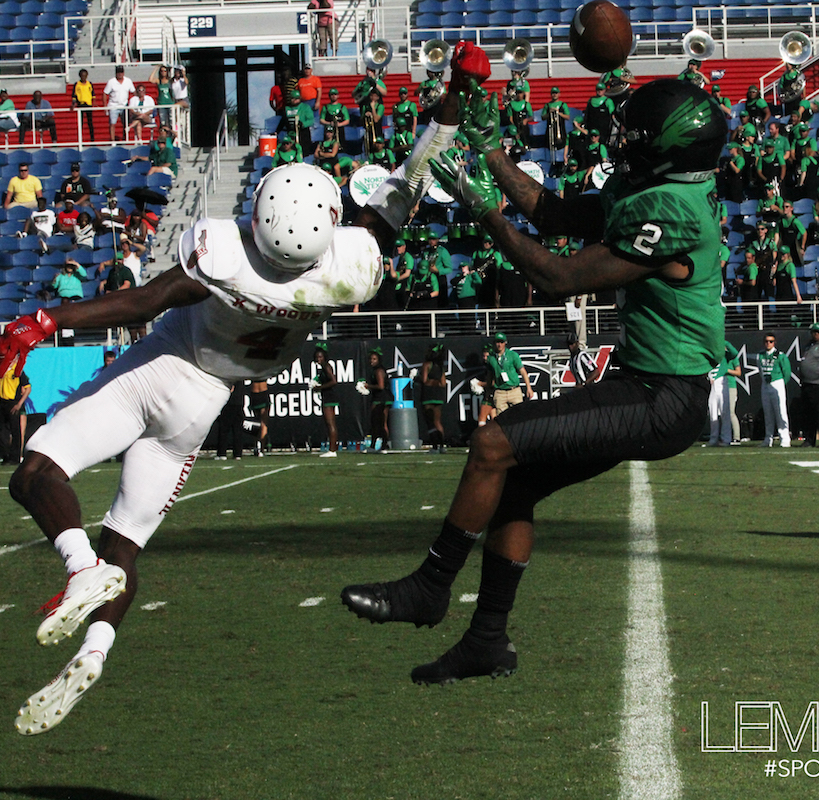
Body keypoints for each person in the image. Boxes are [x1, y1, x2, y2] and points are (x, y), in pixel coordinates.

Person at [0, 43, 484, 733]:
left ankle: (78, 568)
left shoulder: (225, 255)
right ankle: (99, 647)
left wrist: (48, 319)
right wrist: (457, 96)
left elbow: (143, 303)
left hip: (165, 367)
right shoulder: (350, 270)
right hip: (206, 406)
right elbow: (413, 173)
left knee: (37, 471)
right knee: (127, 544)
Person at [341, 76, 729, 684]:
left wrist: (481, 208)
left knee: (494, 443)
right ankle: (486, 641)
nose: (623, 138)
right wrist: (494, 152)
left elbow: (557, 278)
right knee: (514, 484)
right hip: (646, 384)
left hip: (664, 397)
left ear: (667, 149)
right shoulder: (657, 186)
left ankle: (430, 586)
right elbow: (549, 212)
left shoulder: (673, 211)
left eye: (639, 134)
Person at [758, 332, 791, 448]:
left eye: (771, 341)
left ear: (774, 342)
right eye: (766, 341)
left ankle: (785, 438)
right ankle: (768, 438)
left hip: (777, 383)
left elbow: (787, 372)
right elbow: (760, 370)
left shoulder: (780, 355)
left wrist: (781, 383)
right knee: (767, 412)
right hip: (765, 384)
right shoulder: (760, 355)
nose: (768, 343)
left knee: (780, 411)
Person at [0, 364, 30, 465]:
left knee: (15, 431)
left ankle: (15, 458)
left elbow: (27, 388)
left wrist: (19, 404)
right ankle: (5, 454)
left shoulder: (18, 371)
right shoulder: (2, 370)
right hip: (2, 402)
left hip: (13, 402)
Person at [309, 342, 340, 457]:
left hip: (329, 396)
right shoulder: (323, 367)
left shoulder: (326, 366)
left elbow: (334, 381)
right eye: (317, 357)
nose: (318, 359)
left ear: (325, 357)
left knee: (330, 423)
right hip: (327, 396)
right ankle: (332, 448)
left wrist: (319, 387)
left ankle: (332, 450)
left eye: (320, 357)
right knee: (329, 423)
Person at [420, 343, 447, 453]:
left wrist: (417, 377)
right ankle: (442, 446)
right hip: (438, 396)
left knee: (430, 422)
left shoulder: (427, 364)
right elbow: (443, 383)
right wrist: (437, 382)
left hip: (428, 395)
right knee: (437, 421)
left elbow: (424, 381)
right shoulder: (440, 367)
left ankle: (435, 446)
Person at [103, 66, 136, 141]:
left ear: (123, 73)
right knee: (112, 123)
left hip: (124, 105)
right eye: (118, 72)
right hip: (113, 105)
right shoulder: (111, 82)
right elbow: (105, 93)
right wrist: (105, 107)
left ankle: (125, 139)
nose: (120, 74)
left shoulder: (128, 81)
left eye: (121, 72)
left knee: (125, 123)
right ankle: (112, 140)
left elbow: (133, 92)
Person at [72, 68, 96, 141]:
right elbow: (74, 96)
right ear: (80, 76)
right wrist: (73, 103)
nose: (83, 77)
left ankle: (92, 139)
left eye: (85, 76)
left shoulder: (89, 84)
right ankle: (80, 139)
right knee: (81, 123)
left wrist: (94, 102)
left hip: (88, 104)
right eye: (82, 76)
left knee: (90, 123)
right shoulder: (77, 84)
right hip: (81, 104)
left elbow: (93, 94)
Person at [149, 64, 174, 129]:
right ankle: (165, 135)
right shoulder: (158, 80)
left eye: (165, 71)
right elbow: (150, 79)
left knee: (172, 121)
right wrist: (156, 68)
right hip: (162, 103)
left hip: (170, 103)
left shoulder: (170, 81)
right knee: (163, 122)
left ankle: (172, 135)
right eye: (162, 71)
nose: (163, 72)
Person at [249, 378, 270, 456]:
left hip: (254, 394)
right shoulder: (263, 371)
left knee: (256, 423)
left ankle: (256, 446)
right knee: (263, 424)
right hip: (263, 393)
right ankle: (261, 449)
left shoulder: (254, 372)